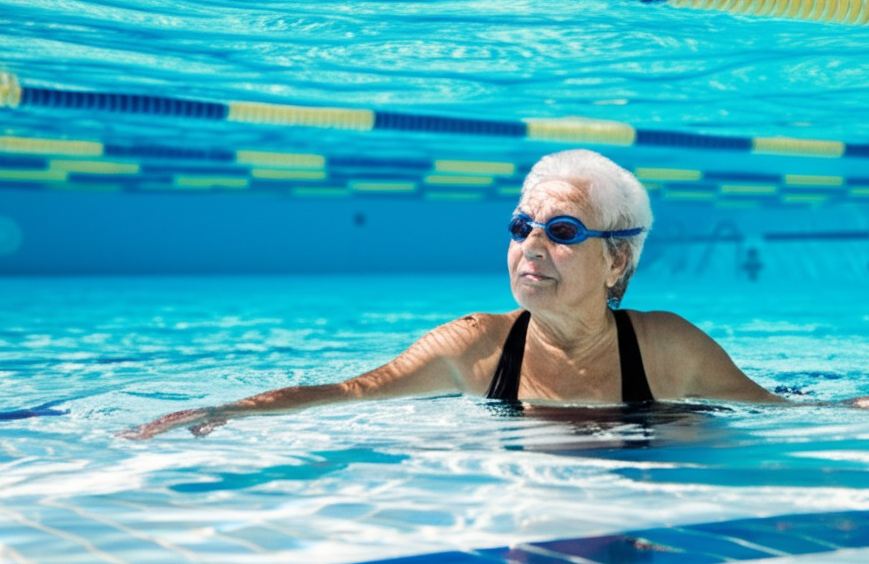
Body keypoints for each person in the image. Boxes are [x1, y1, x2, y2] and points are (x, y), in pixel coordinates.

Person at [121, 149, 783, 440]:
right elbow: (348, 392)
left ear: (617, 260)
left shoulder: (665, 346)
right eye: (520, 227)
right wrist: (230, 409)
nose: (529, 246)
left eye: (560, 231)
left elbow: (775, 412)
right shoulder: (476, 345)